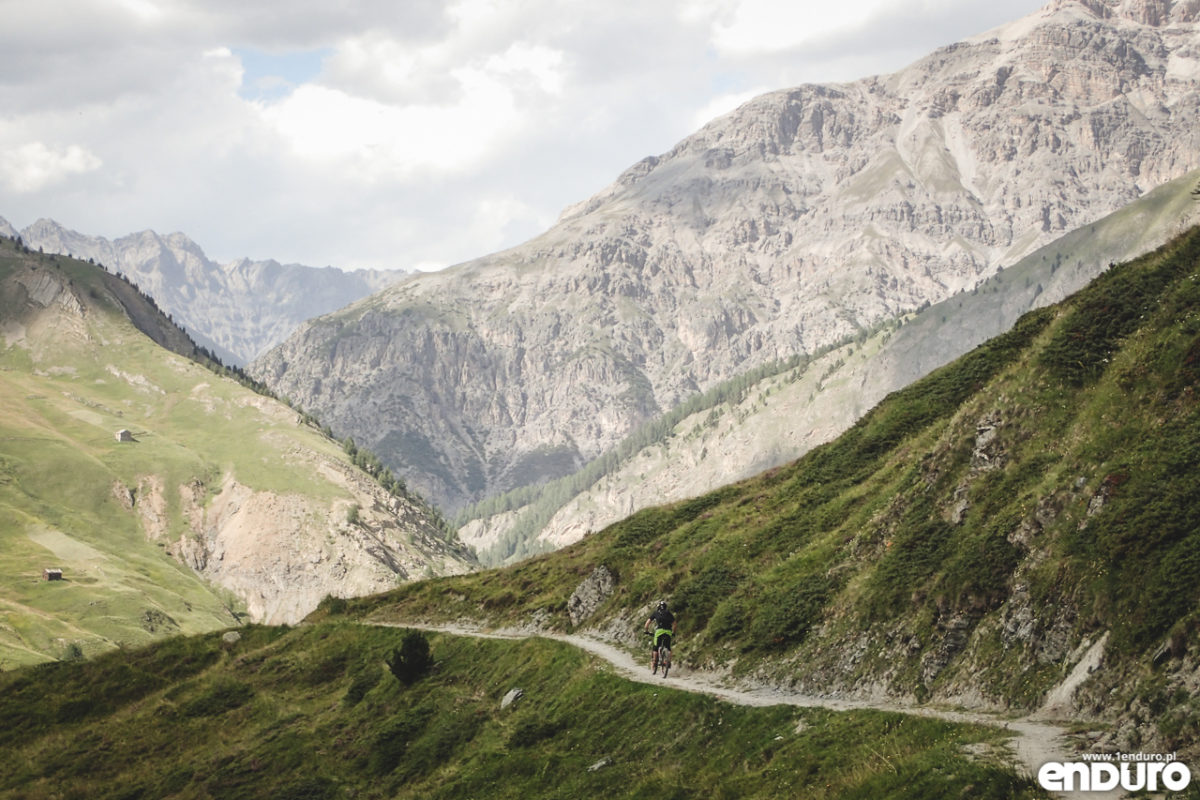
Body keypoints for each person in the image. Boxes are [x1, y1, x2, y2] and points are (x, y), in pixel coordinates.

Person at [644, 600, 676, 674]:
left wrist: (646, 630)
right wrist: (673, 633)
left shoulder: (656, 613)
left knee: (655, 647)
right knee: (668, 647)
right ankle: (668, 662)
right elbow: (674, 624)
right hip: (668, 632)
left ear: (658, 607)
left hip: (659, 632)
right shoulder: (668, 613)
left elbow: (647, 623)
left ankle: (655, 662)